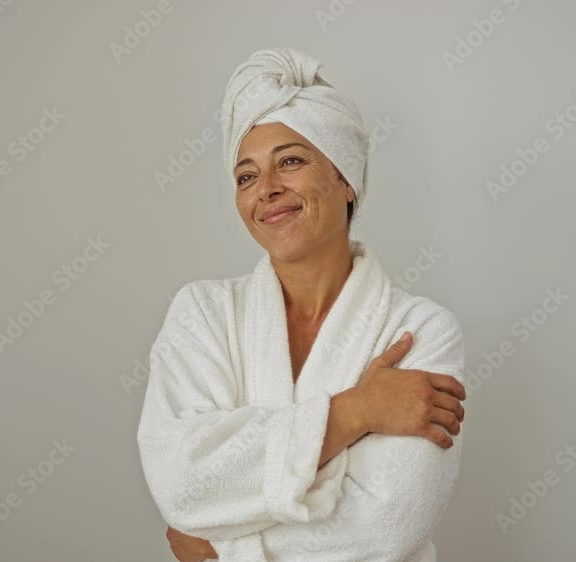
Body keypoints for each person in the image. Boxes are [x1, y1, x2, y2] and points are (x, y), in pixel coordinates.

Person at [137, 48, 467, 562]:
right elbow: (182, 482)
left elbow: (383, 529)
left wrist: (224, 549)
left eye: (290, 161)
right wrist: (357, 410)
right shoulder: (202, 313)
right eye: (246, 176)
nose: (266, 190)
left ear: (346, 180)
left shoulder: (420, 331)